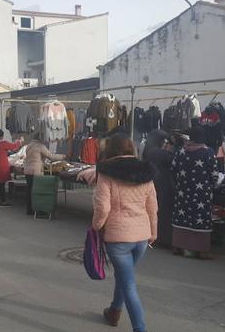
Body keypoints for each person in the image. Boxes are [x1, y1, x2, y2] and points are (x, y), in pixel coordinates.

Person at [93, 133, 158, 332]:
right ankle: (114, 311)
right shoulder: (146, 173)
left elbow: (102, 207)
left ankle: (140, 329)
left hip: (118, 237)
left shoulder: (106, 173)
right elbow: (152, 206)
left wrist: (96, 227)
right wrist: (153, 232)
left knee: (128, 284)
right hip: (142, 237)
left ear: (110, 149)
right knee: (125, 277)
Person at [171, 125, 218, 259]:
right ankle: (202, 250)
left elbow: (173, 169)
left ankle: (178, 246)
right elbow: (214, 174)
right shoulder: (208, 152)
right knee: (200, 218)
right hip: (202, 194)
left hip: (182, 191)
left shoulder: (181, 151)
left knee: (182, 216)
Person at [142, 129, 175, 247]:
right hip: (162, 185)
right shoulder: (159, 153)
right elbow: (173, 159)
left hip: (152, 183)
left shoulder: (148, 150)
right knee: (161, 213)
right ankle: (160, 238)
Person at [23, 133, 65, 215]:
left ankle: (29, 210)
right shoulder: (40, 146)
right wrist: (62, 156)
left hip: (27, 169)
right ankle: (37, 209)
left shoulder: (29, 145)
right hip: (35, 170)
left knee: (29, 190)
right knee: (37, 191)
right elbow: (51, 156)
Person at [0, 128, 23, 207]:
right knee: (1, 184)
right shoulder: (4, 143)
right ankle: (3, 202)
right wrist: (19, 141)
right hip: (2, 166)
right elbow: (14, 146)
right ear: (1, 136)